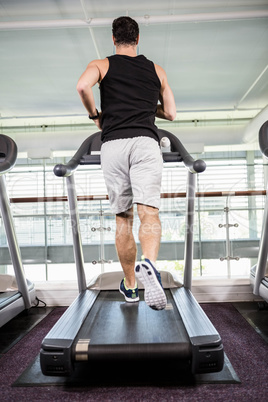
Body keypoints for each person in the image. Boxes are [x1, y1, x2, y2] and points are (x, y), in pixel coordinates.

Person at [77, 16, 176, 310]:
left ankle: (131, 287)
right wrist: (146, 106)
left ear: (112, 38)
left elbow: (83, 86)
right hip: (146, 142)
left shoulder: (101, 64)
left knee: (123, 218)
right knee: (149, 211)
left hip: (113, 144)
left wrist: (96, 115)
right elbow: (170, 113)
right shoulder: (156, 69)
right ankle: (151, 265)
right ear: (138, 38)